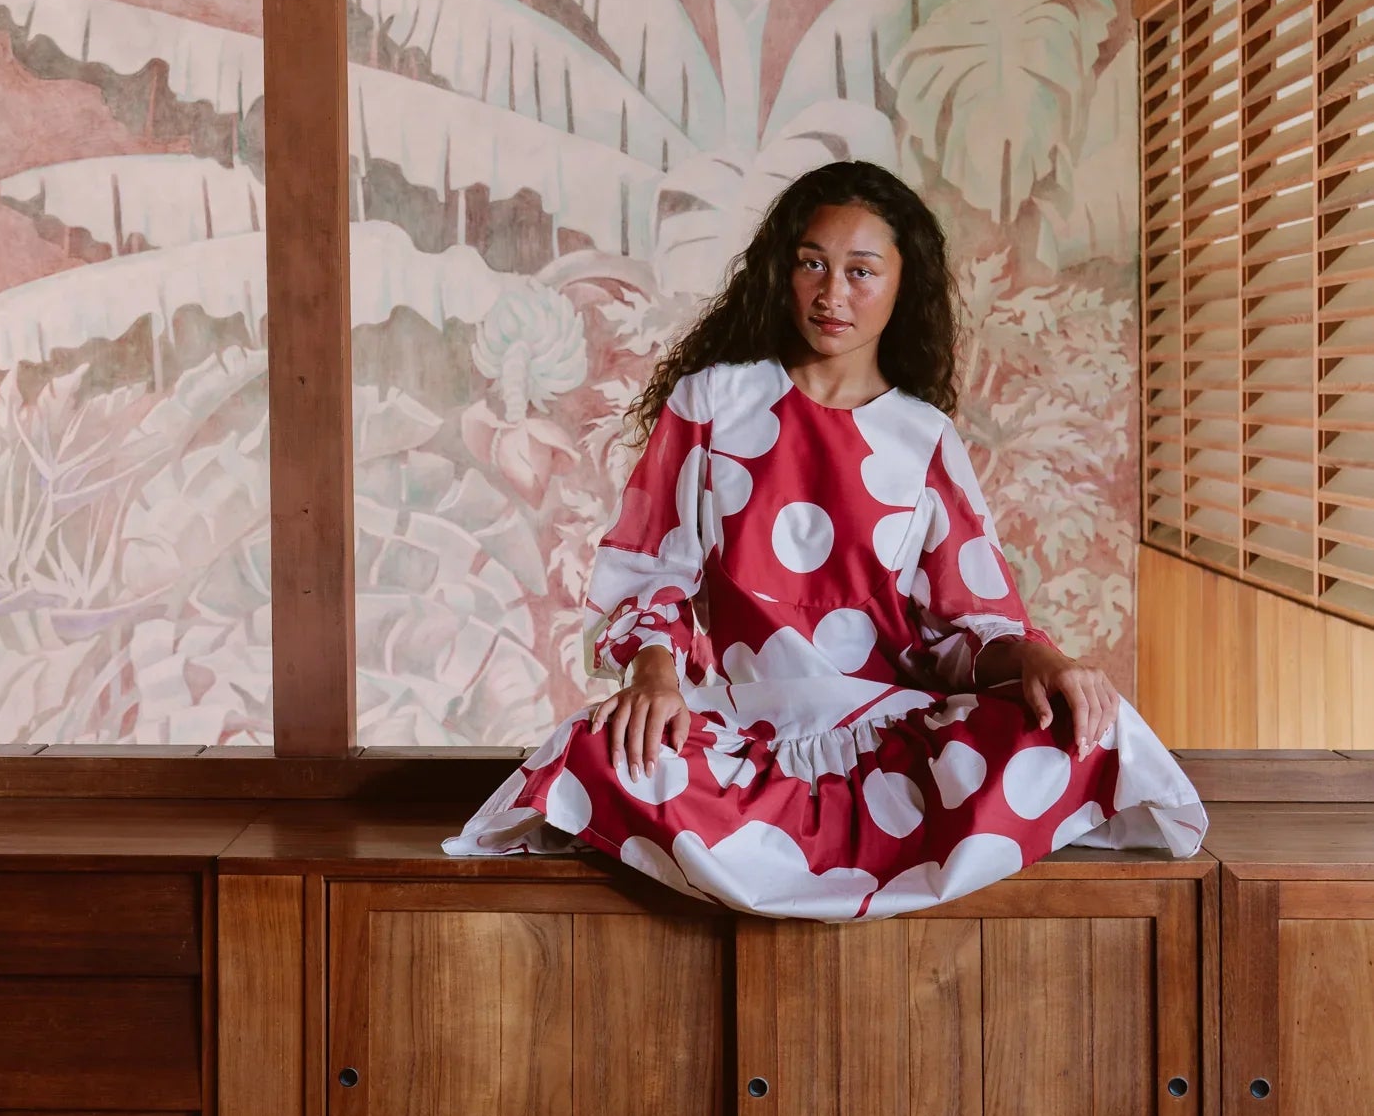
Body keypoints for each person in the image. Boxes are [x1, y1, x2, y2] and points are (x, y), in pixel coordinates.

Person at [445, 160, 1207, 919]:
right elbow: (654, 572)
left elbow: (963, 628)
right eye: (812, 263)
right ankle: (828, 853)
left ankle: (806, 852)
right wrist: (654, 679)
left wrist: (1041, 659)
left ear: (904, 284)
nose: (831, 293)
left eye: (861, 271)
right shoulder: (711, 402)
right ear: (783, 271)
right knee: (596, 748)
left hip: (890, 742)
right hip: (733, 734)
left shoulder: (924, 437)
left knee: (1090, 729)